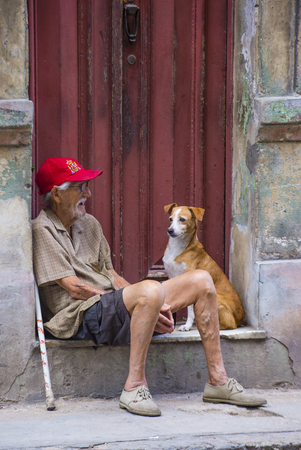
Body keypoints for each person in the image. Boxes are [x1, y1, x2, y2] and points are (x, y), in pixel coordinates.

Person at [32, 157, 266, 417]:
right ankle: (134, 387)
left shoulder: (90, 224)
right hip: (80, 315)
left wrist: (145, 304)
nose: (87, 193)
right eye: (80, 187)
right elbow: (74, 287)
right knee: (150, 290)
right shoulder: (42, 230)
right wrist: (138, 300)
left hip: (110, 305)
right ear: (56, 193)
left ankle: (218, 381)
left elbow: (112, 274)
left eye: (86, 186)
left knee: (201, 279)